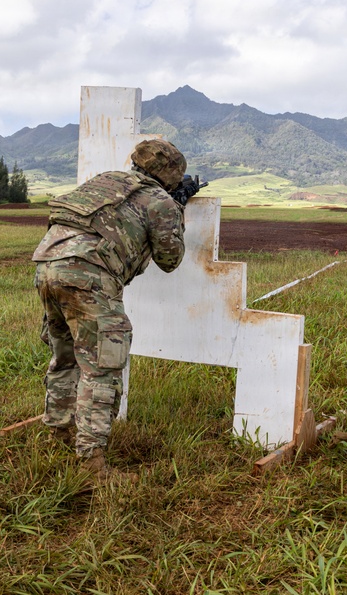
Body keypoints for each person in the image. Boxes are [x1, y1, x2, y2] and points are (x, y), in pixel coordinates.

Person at [32, 139, 201, 477]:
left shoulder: (106, 181)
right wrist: (176, 213)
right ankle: (92, 464)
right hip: (89, 278)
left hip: (47, 268)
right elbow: (170, 260)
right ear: (171, 176)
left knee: (65, 357)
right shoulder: (160, 201)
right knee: (102, 367)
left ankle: (59, 432)